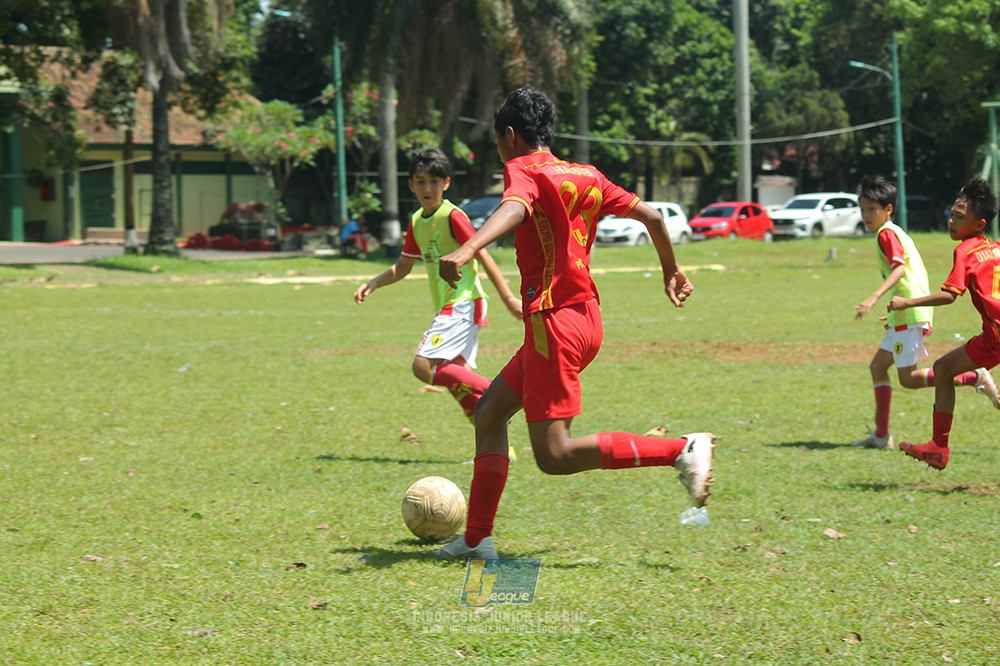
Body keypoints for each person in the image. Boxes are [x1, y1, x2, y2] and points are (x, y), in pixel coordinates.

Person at [434, 86, 714, 561]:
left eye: (498, 140)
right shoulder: (586, 173)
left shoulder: (522, 168)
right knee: (489, 412)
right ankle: (478, 540)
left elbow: (516, 207)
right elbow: (650, 214)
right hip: (585, 318)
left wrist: (467, 248)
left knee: (554, 455)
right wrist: (671, 268)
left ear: (509, 134)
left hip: (553, 324)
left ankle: (680, 449)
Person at [354, 149, 522, 435]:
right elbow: (403, 267)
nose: (427, 188)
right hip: (453, 305)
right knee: (460, 389)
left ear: (446, 183)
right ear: (411, 185)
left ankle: (518, 394)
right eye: (420, 182)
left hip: (463, 301)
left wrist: (508, 299)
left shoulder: (452, 216)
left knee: (422, 366)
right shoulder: (417, 221)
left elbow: (483, 255)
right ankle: (498, 448)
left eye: (434, 181)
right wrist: (374, 283)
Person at [849, 175, 994, 449]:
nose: (866, 215)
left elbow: (900, 268)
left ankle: (973, 376)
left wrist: (874, 298)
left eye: (872, 209)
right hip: (905, 311)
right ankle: (881, 436)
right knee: (878, 367)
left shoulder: (887, 233)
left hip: (911, 309)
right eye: (862, 209)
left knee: (909, 379)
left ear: (888, 209)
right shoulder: (895, 231)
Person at [888, 178, 1000, 469]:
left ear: (980, 224)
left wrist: (907, 303)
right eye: (952, 214)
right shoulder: (996, 247)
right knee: (943, 369)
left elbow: (950, 295)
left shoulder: (965, 251)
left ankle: (939, 446)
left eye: (960, 218)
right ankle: (937, 447)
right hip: (992, 337)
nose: (952, 221)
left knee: (943, 369)